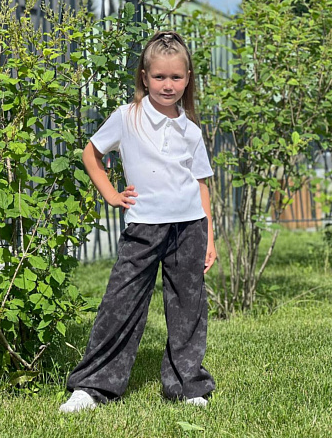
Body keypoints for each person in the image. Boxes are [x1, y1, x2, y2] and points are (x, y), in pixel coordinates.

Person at [59, 30, 217, 413]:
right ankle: (92, 386)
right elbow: (91, 154)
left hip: (190, 228)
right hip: (144, 227)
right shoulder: (127, 117)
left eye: (176, 77)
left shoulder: (191, 130)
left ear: (188, 79)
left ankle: (187, 386)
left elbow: (201, 185)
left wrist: (210, 237)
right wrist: (111, 195)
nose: (168, 85)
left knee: (188, 308)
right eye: (159, 76)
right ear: (145, 77)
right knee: (121, 302)